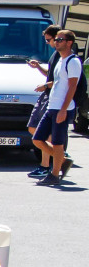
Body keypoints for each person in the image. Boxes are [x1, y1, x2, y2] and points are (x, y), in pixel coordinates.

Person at [32, 29, 81, 185]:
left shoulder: (73, 61)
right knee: (37, 139)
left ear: (69, 43)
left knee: (58, 142)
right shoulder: (60, 60)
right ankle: (63, 161)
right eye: (57, 39)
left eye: (60, 39)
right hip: (52, 106)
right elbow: (58, 82)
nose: (57, 41)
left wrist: (63, 110)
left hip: (62, 108)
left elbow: (72, 86)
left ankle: (54, 175)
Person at [26, 24, 68, 179]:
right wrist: (38, 68)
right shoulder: (54, 55)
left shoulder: (63, 56)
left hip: (52, 96)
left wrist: (45, 86)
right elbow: (51, 76)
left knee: (43, 133)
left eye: (50, 40)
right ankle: (59, 158)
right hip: (47, 95)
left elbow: (61, 81)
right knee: (33, 129)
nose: (49, 43)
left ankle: (49, 164)